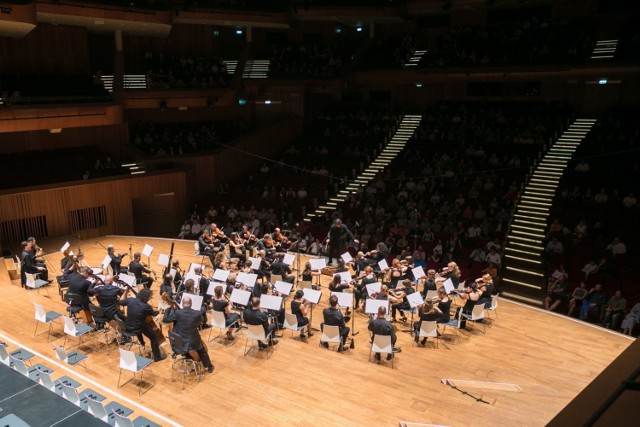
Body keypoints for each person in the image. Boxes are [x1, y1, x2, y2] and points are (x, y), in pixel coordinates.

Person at [166, 296, 214, 373]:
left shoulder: (177, 313)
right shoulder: (196, 313)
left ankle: (188, 356)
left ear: (182, 303)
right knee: (202, 350)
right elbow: (201, 321)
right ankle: (209, 367)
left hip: (179, 343)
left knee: (188, 343)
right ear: (191, 304)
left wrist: (169, 308)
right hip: (192, 341)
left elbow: (165, 319)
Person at [118, 288, 166, 362]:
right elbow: (154, 314)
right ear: (146, 297)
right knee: (153, 336)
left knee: (139, 323)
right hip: (138, 328)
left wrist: (126, 291)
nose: (149, 299)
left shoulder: (131, 300)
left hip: (127, 326)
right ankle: (157, 357)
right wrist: (159, 311)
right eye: (149, 297)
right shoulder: (146, 307)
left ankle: (142, 343)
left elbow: (120, 302)